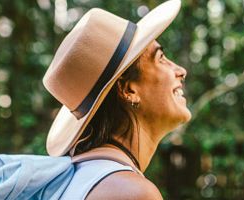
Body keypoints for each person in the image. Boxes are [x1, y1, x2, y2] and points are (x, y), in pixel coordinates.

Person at [40, 0, 188, 199]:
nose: (181, 71)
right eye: (161, 58)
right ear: (128, 90)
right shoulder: (131, 192)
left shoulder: (78, 180)